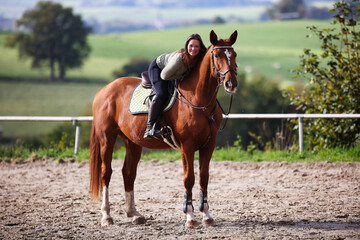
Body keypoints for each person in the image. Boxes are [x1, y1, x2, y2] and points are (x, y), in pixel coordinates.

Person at [144, 33, 207, 139]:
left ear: (200, 48)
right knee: (161, 93)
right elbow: (164, 76)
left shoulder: (199, 58)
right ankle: (149, 128)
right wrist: (183, 75)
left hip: (172, 72)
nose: (193, 49)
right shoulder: (179, 59)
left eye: (196, 46)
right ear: (186, 46)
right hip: (159, 69)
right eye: (191, 46)